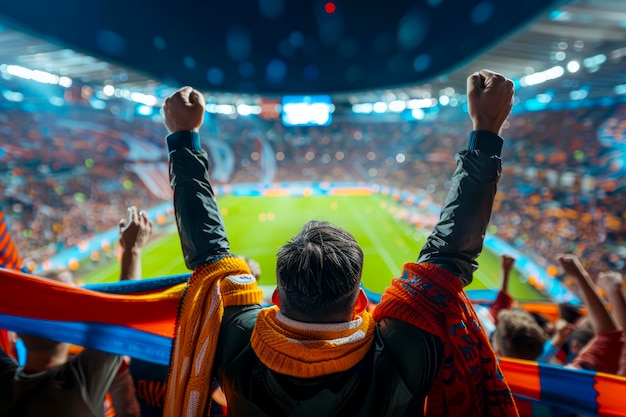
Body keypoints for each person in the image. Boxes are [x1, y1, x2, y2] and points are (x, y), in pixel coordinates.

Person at [162, 69, 518, 417]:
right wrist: (486, 133)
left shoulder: (238, 342)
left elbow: (212, 262)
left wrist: (183, 139)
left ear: (276, 299)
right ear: (362, 302)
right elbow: (447, 262)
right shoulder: (402, 354)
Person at [0, 206, 150, 417]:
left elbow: (120, 319)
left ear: (18, 328)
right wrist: (132, 249)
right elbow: (120, 318)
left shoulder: (5, 385)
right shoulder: (79, 387)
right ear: (71, 326)